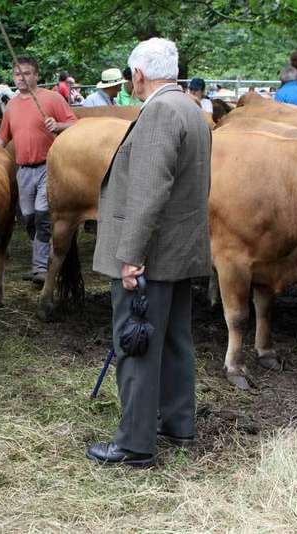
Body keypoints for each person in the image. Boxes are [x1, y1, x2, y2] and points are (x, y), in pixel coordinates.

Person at [87, 37, 211, 468]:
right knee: (175, 339)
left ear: (138, 74)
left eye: (131, 74)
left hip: (153, 255)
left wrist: (131, 255)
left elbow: (148, 191)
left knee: (135, 343)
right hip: (179, 251)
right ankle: (178, 425)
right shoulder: (191, 109)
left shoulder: (159, 112)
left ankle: (135, 444)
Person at [0, 56, 76, 285]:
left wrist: (58, 125)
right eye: (18, 74)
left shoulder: (51, 99)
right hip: (23, 170)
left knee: (42, 215)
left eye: (27, 73)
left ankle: (40, 267)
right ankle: (45, 257)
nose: (21, 78)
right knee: (29, 218)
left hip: (48, 167)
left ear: (36, 75)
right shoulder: (11, 105)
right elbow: (2, 137)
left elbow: (75, 124)